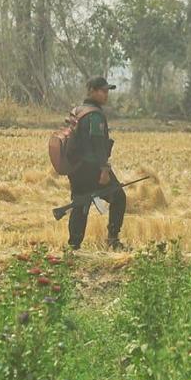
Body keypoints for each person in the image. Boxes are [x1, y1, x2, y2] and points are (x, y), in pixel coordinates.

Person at [65, 76, 125, 251]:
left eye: (107, 91)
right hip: (92, 168)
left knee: (80, 204)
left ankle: (73, 246)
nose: (106, 95)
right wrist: (104, 170)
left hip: (75, 168)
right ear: (91, 91)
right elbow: (98, 145)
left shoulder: (77, 110)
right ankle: (113, 240)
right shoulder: (95, 115)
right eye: (103, 91)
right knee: (119, 197)